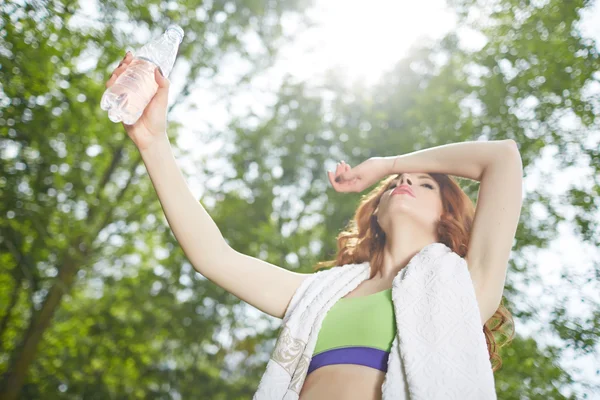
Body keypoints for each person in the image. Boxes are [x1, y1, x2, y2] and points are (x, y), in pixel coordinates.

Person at [106, 53, 522, 399]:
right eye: (395, 183)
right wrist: (152, 141)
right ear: (374, 214)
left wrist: (391, 163)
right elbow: (214, 258)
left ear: (447, 217)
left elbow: (502, 158)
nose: (407, 180)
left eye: (425, 182)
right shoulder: (321, 294)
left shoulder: (465, 287)